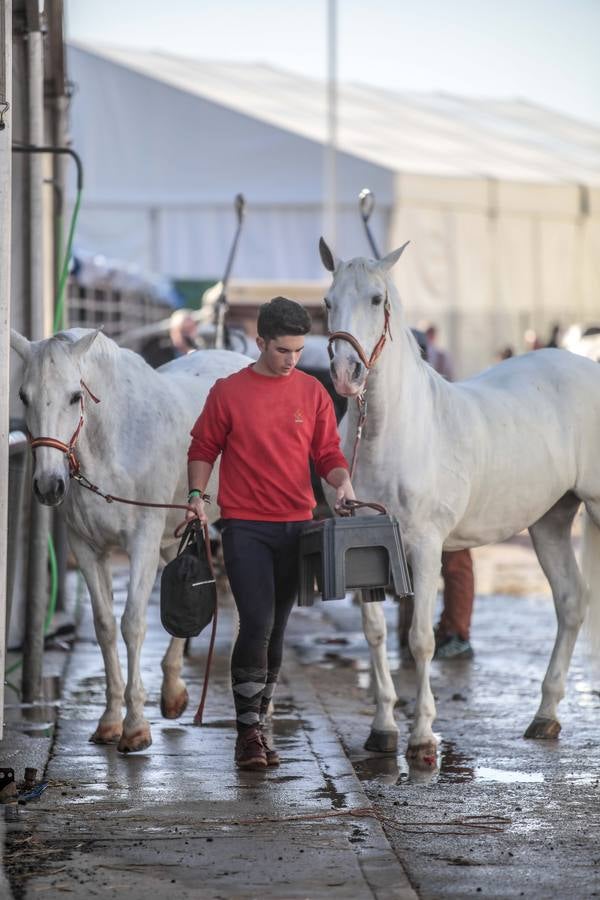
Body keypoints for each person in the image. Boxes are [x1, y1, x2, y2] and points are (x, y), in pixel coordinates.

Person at [186, 297, 355, 770]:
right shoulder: (228, 392)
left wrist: (342, 484)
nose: (292, 360)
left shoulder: (313, 393)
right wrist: (197, 497)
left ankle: (259, 724)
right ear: (260, 342)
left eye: (299, 351)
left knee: (277, 630)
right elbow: (203, 446)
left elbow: (327, 454)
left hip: (297, 526)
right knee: (256, 622)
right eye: (283, 350)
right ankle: (247, 736)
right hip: (245, 527)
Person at [421, 322, 475, 660]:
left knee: (455, 560)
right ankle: (449, 629)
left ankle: (457, 632)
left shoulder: (438, 390)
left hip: (447, 490)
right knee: (452, 563)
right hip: (432, 489)